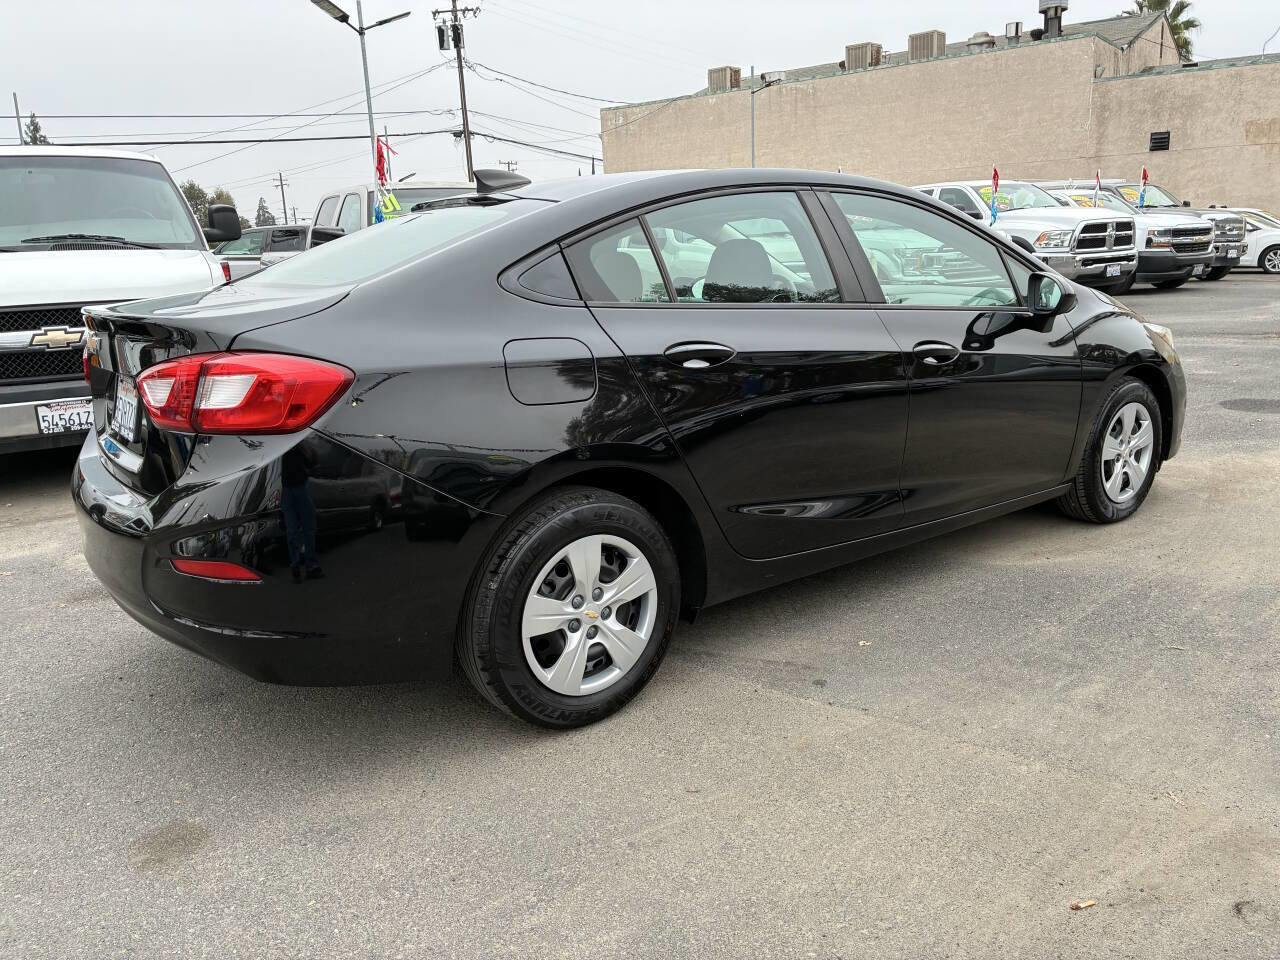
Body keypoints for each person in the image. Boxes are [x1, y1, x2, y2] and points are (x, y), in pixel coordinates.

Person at [280, 445, 323, 583]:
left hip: (300, 489)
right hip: (288, 490)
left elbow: (313, 463)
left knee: (308, 529)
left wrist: (306, 448)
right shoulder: (283, 446)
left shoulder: (302, 447)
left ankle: (311, 566)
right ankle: (297, 565)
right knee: (292, 531)